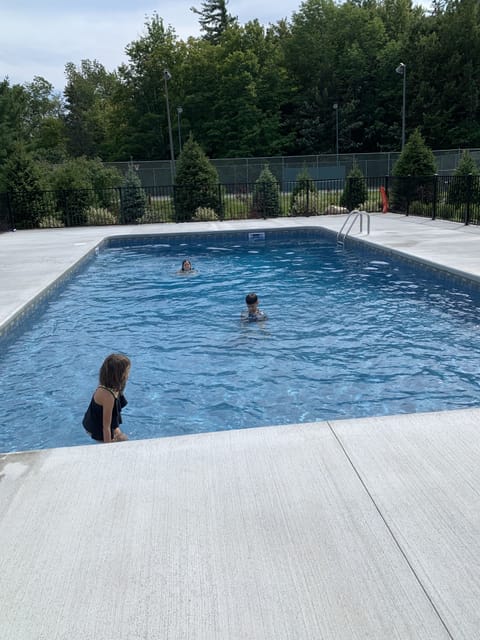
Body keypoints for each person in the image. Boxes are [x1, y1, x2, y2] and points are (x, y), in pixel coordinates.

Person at [83, 353, 131, 443]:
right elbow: (106, 427)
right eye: (127, 372)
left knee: (123, 439)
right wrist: (108, 449)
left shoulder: (113, 387)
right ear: (119, 376)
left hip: (99, 420)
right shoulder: (108, 396)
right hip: (96, 428)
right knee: (122, 443)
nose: (128, 375)